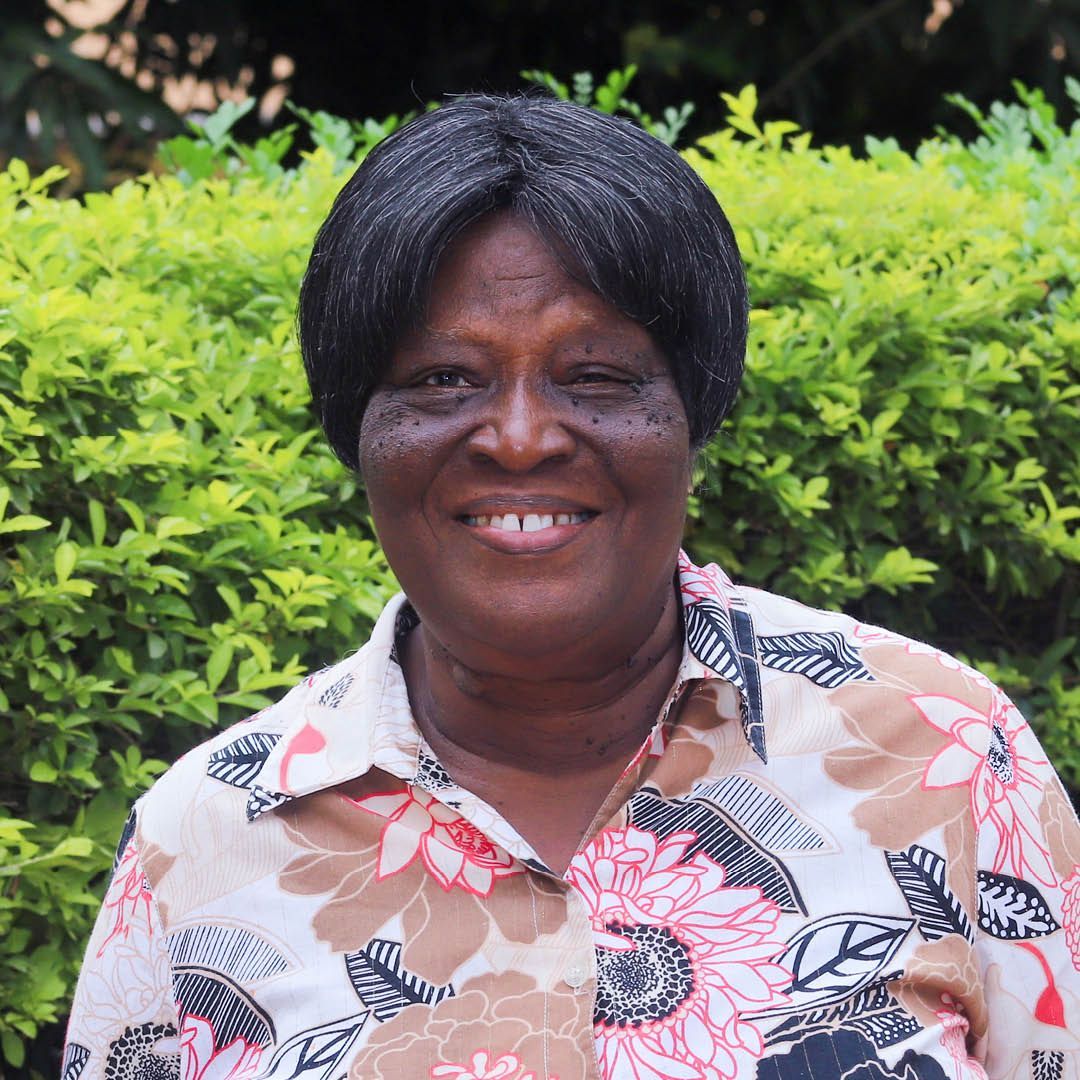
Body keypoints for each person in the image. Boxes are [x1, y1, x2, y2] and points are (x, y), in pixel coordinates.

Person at [64, 93, 1080, 1080]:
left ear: (693, 414)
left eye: (594, 376)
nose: (518, 436)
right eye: (442, 381)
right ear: (358, 433)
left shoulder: (947, 754)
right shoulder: (198, 842)